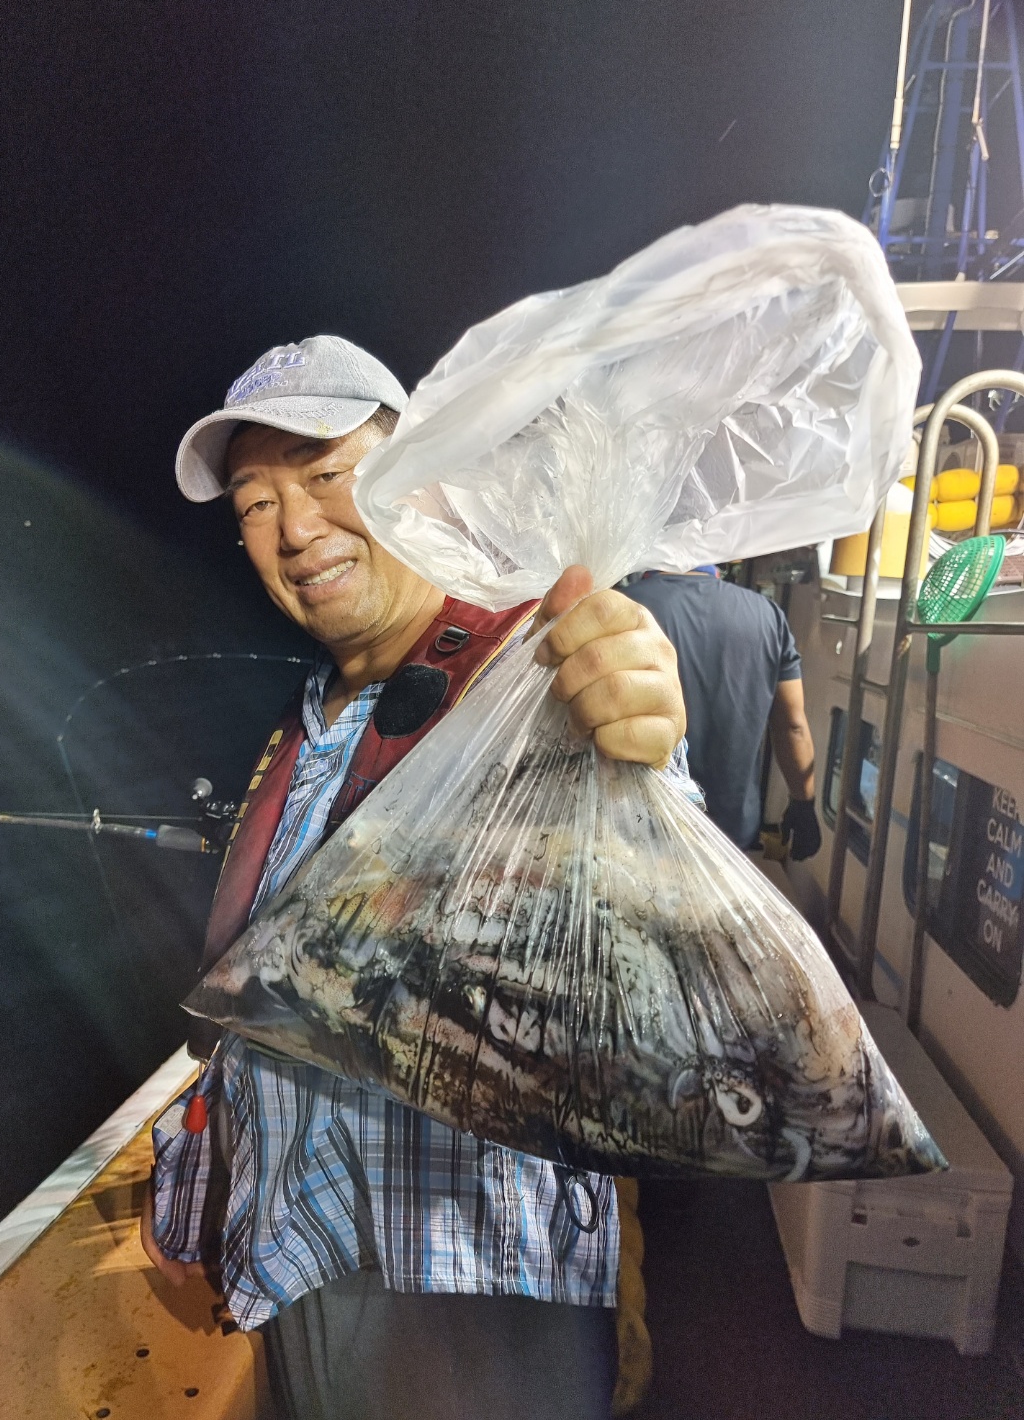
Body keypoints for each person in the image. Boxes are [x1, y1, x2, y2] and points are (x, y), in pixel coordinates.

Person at [140, 335, 694, 1420]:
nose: (296, 530)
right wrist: (200, 1165)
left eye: (327, 475)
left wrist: (641, 729)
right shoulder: (312, 719)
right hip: (301, 1259)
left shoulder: (524, 676)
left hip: (468, 1288)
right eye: (255, 503)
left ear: (424, 480)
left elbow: (656, 921)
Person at [619, 565, 821, 860]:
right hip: (730, 830)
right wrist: (803, 804)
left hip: (638, 825)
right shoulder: (768, 616)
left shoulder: (624, 607)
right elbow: (792, 725)